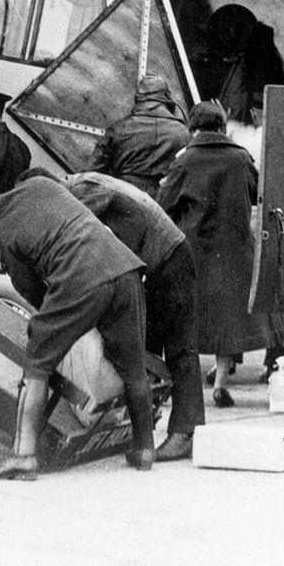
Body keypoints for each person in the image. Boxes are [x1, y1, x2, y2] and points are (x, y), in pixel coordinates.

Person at [0, 177, 155, 479]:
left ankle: (23, 457)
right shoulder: (38, 184)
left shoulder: (2, 235)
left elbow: (32, 292)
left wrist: (57, 325)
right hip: (124, 267)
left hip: (82, 278)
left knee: (37, 361)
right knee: (133, 367)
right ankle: (144, 449)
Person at [48, 170, 204, 461]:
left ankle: (186, 433)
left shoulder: (82, 190)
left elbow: (92, 239)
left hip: (169, 257)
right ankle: (143, 432)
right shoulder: (84, 183)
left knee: (179, 348)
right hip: (160, 258)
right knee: (146, 349)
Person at [157, 100, 284, 407]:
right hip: (233, 253)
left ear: (193, 128)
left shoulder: (185, 161)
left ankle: (182, 387)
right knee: (226, 321)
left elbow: (164, 205)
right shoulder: (240, 158)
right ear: (221, 126)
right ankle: (220, 385)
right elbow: (259, 195)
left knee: (189, 321)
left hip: (194, 253)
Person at [88, 73, 190, 198]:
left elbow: (91, 172)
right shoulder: (183, 132)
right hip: (162, 202)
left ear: (138, 98)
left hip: (122, 199)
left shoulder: (119, 129)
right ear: (167, 98)